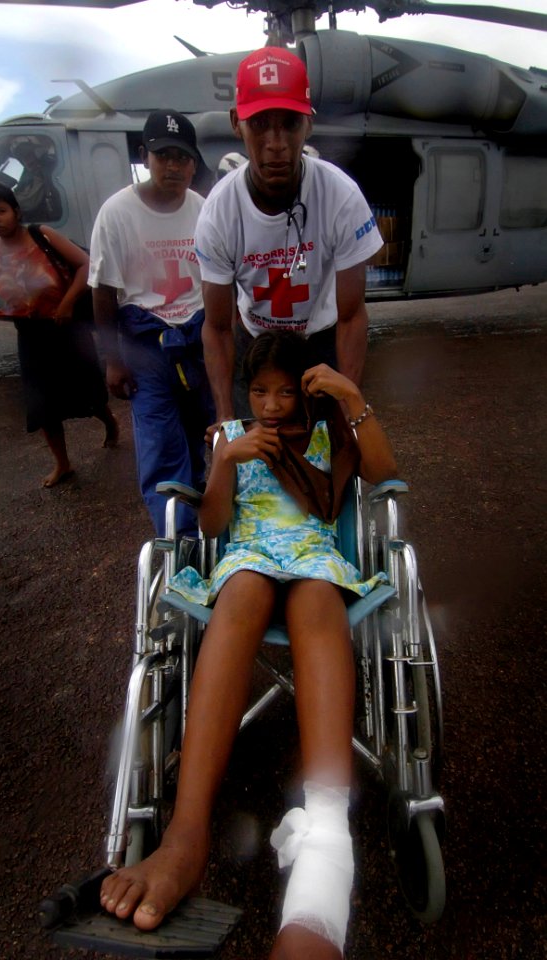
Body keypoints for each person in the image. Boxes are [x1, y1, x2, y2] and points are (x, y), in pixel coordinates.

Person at [99, 330, 398, 960]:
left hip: (314, 555)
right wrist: (228, 458)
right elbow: (210, 525)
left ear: (303, 392)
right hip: (249, 555)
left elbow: (385, 474)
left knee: (318, 602)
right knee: (237, 598)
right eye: (259, 392)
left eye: (284, 392)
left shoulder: (323, 430)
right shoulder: (231, 434)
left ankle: (324, 831)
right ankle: (186, 835)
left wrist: (348, 394)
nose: (270, 405)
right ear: (245, 392)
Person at [196, 46, 383, 427]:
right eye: (260, 123)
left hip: (322, 339)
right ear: (237, 123)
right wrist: (226, 419)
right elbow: (217, 328)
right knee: (257, 459)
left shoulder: (341, 197)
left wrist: (350, 407)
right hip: (257, 345)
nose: (276, 142)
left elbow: (351, 316)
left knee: (329, 450)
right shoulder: (218, 212)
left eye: (290, 123)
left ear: (309, 125)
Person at [89, 109, 214, 537]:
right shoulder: (116, 213)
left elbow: (218, 281)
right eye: (164, 156)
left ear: (194, 163)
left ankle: (202, 522)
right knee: (161, 444)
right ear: (145, 156)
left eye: (183, 157)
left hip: (197, 338)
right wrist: (113, 360)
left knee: (203, 435)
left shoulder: (204, 210)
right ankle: (178, 546)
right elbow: (102, 290)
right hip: (145, 342)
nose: (174, 166)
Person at [0, 178, 118, 488]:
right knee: (42, 405)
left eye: (1, 211)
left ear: (16, 210)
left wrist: (67, 304)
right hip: (29, 334)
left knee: (88, 392)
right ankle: (62, 464)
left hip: (64, 328)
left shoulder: (41, 236)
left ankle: (110, 423)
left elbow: (85, 265)